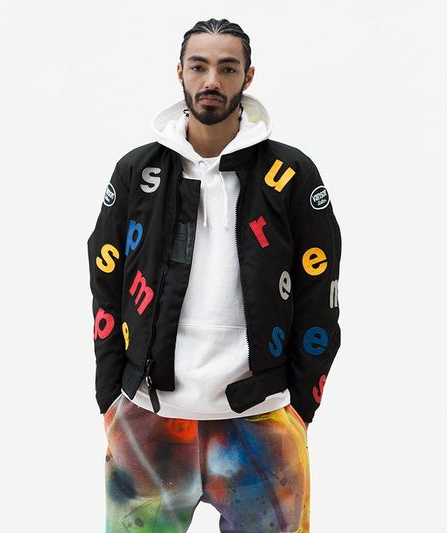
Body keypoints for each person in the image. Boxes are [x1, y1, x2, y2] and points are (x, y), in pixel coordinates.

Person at [87, 18, 342, 532]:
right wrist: (111, 396)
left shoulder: (290, 175)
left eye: (227, 68)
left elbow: (320, 288)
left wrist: (301, 403)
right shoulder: (137, 173)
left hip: (262, 420)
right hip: (147, 418)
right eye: (199, 66)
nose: (212, 81)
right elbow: (105, 277)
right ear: (179, 72)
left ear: (248, 76)